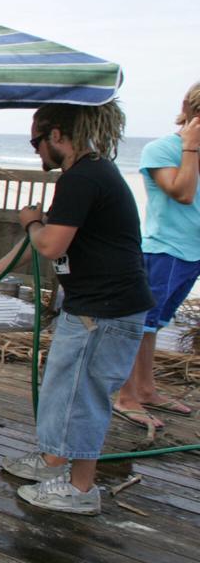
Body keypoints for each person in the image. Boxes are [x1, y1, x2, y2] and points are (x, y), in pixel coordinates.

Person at [0, 101, 154, 516]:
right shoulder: (88, 175)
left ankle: (80, 490)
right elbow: (42, 245)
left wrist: (29, 220)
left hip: (106, 312)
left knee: (83, 396)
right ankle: (53, 462)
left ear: (57, 135)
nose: (36, 152)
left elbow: (49, 244)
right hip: (95, 308)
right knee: (64, 388)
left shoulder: (83, 178)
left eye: (36, 142)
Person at [114, 83, 200, 427]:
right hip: (165, 249)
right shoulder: (162, 149)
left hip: (192, 253)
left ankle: (146, 389)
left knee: (156, 326)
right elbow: (181, 192)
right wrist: (190, 147)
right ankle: (126, 396)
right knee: (139, 325)